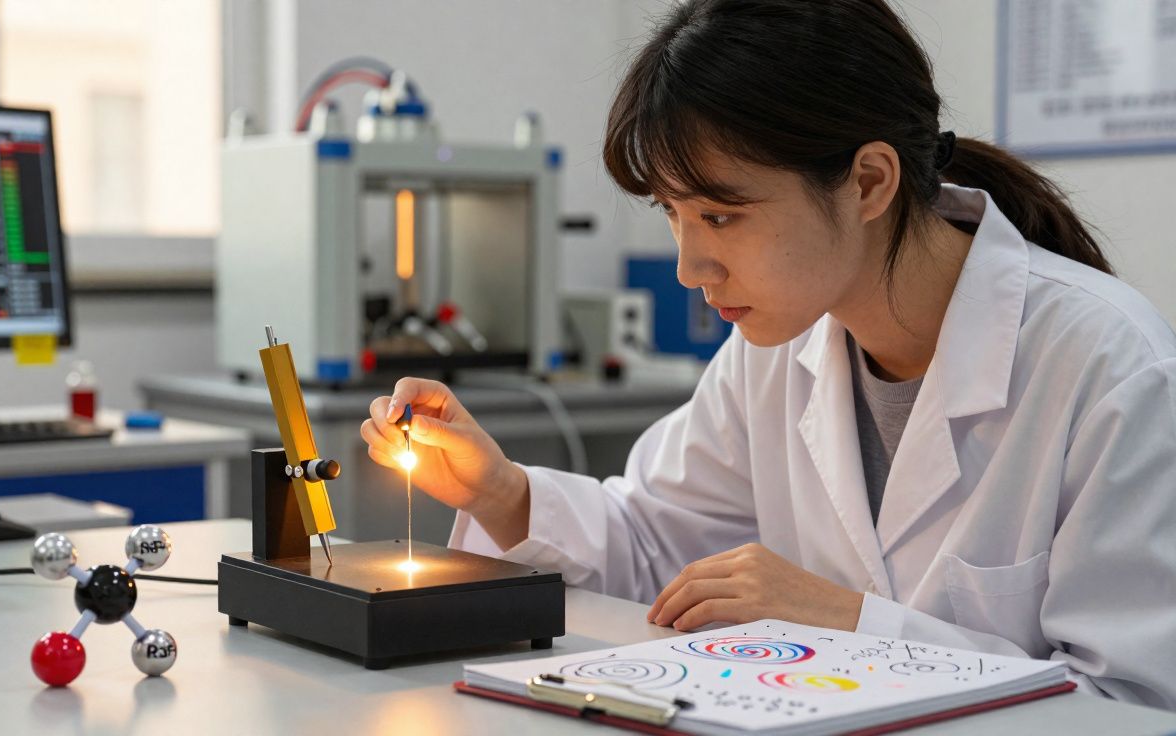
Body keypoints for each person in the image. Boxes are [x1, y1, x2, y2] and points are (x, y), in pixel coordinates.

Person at [360, 0, 1176, 709]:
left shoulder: (1106, 366)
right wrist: (503, 493)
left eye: (720, 216)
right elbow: (655, 543)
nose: (690, 268)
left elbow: (1132, 702)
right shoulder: (778, 346)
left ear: (867, 183)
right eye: (671, 214)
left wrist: (849, 623)